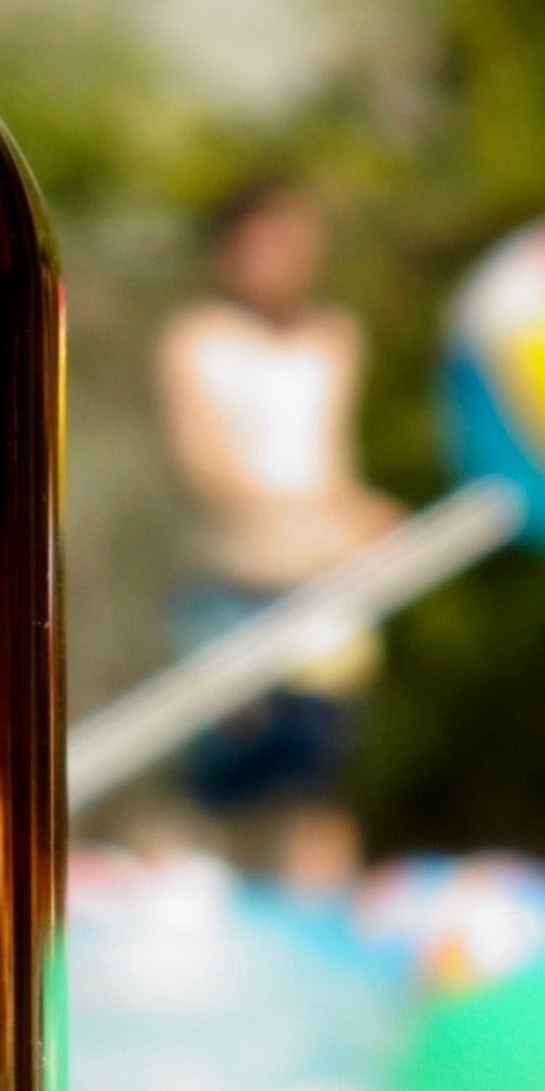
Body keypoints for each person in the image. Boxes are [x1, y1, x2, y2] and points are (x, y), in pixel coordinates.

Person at [150, 171, 400, 891]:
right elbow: (211, 470)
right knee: (216, 778)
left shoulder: (335, 338)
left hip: (327, 595)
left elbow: (331, 458)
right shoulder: (197, 339)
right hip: (232, 590)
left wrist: (364, 516)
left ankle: (316, 923)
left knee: (315, 778)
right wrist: (319, 518)